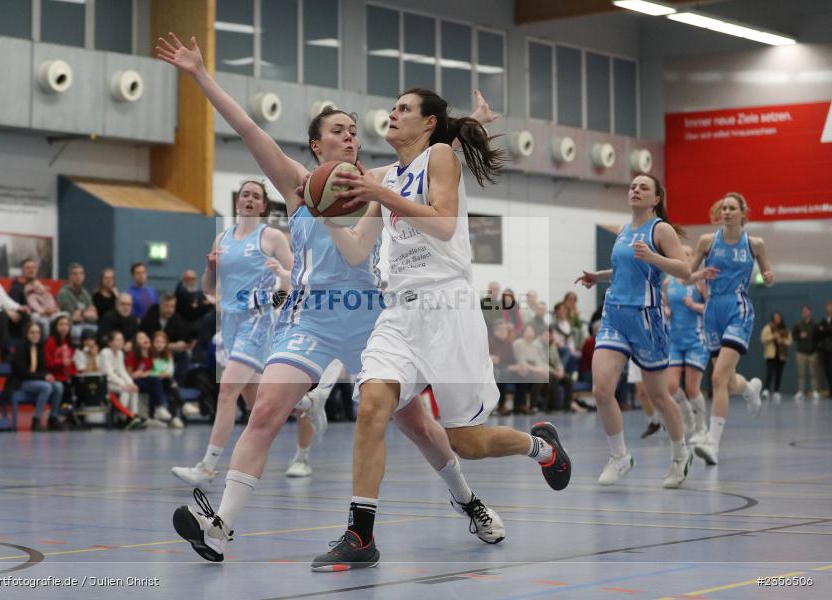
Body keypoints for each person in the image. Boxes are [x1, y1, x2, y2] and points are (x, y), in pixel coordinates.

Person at [157, 33, 508, 564]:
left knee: (422, 429)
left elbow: (428, 163)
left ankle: (470, 502)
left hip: (374, 320)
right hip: (312, 320)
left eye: (353, 130)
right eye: (338, 131)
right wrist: (201, 75)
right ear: (317, 146)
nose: (350, 136)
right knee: (267, 411)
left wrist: (471, 128)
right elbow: (248, 128)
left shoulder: (374, 182)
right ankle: (221, 524)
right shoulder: (301, 186)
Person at [310, 87, 571, 570]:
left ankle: (540, 446)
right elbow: (353, 248)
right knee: (371, 407)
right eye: (393, 107)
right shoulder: (386, 177)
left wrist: (381, 192)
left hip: (448, 308)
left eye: (404, 109)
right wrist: (324, 212)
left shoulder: (440, 158)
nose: (393, 113)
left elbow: (445, 223)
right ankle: (360, 535)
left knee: (465, 444)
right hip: (399, 312)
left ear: (428, 124)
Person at [170, 178, 295, 488]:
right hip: (229, 323)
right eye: (245, 195)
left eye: (256, 196)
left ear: (263, 205)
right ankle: (307, 403)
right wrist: (211, 269)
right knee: (255, 400)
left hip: (257, 320)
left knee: (227, 391)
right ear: (238, 202)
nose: (250, 199)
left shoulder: (272, 237)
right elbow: (208, 288)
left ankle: (208, 466)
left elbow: (296, 275)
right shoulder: (223, 238)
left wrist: (278, 294)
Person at [576, 174, 693, 488]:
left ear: (656, 198)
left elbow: (685, 270)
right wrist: (598, 276)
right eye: (632, 186)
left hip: (646, 320)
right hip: (614, 316)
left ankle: (681, 455)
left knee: (659, 395)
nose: (636, 190)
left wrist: (655, 257)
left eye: (644, 187)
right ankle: (620, 456)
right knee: (601, 389)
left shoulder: (661, 230)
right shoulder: (624, 230)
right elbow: (626, 268)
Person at [688, 192, 773, 465]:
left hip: (738, 309)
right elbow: (688, 274)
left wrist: (768, 277)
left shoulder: (755, 244)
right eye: (723, 207)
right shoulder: (707, 241)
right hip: (712, 311)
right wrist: (699, 275)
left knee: (717, 378)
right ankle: (749, 389)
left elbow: (767, 275)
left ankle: (713, 444)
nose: (726, 212)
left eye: (731, 208)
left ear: (742, 213)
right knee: (728, 379)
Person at [662, 246, 710, 440]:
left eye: (690, 255)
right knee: (671, 386)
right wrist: (667, 310)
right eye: (682, 255)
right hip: (675, 340)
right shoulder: (668, 281)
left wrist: (695, 305)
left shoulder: (699, 281)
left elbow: (712, 307)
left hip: (696, 339)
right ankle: (687, 414)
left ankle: (702, 428)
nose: (686, 258)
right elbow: (666, 303)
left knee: (692, 388)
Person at [10, 322, 64, 431]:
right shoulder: (20, 348)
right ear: (26, 334)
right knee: (46, 387)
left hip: (37, 380)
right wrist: (43, 377)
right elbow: (23, 373)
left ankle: (53, 418)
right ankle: (36, 420)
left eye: (38, 333)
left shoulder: (40, 348)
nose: (35, 335)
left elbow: (43, 368)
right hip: (23, 382)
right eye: (32, 333)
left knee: (58, 386)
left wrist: (47, 375)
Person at [97, 330, 146, 429]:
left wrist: (130, 383)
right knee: (125, 389)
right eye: (117, 340)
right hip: (105, 382)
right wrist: (124, 384)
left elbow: (122, 371)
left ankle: (133, 415)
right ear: (110, 342)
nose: (121, 342)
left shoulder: (120, 353)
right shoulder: (105, 352)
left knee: (133, 388)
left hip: (116, 382)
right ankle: (122, 417)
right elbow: (109, 374)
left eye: (122, 340)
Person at [126, 331, 171, 423]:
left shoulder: (151, 354)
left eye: (146, 336)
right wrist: (135, 374)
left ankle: (154, 413)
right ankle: (158, 409)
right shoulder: (132, 355)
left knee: (160, 381)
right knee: (156, 382)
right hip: (135, 382)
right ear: (136, 343)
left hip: (148, 380)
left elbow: (155, 371)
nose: (145, 339)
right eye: (141, 338)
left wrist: (147, 373)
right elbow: (128, 375)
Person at [151, 331, 184, 429]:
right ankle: (182, 405)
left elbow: (170, 371)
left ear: (166, 344)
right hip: (153, 381)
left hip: (165, 381)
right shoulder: (149, 354)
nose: (159, 344)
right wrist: (160, 374)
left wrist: (165, 375)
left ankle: (173, 418)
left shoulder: (168, 355)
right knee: (170, 384)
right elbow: (150, 370)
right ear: (153, 342)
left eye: (162, 342)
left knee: (171, 388)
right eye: (157, 342)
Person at [56, 263, 98, 338]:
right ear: (70, 276)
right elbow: (72, 317)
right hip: (72, 326)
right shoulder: (64, 293)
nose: (78, 276)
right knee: (80, 333)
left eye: (81, 273)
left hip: (87, 324)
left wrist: (81, 313)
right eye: (75, 274)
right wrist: (85, 312)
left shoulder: (85, 292)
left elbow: (94, 315)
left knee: (99, 331)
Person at [791, 305, 821, 404]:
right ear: (802, 313)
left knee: (814, 373)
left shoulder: (815, 325)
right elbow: (793, 336)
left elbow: (818, 338)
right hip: (801, 353)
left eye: (807, 311)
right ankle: (800, 391)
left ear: (810, 312)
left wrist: (816, 349)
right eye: (804, 311)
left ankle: (815, 391)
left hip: (812, 353)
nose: (805, 313)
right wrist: (800, 335)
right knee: (801, 374)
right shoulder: (798, 324)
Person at [760, 312, 791, 403]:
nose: (777, 319)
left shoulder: (784, 329)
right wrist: (773, 337)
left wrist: (782, 340)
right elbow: (763, 339)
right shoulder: (768, 327)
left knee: (779, 373)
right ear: (773, 318)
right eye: (775, 317)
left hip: (781, 355)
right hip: (771, 354)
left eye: (778, 317)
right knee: (770, 373)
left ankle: (776, 391)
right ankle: (766, 390)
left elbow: (789, 341)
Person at [817, 301, 832, 399]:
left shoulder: (824, 324)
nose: (829, 308)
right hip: (826, 351)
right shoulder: (823, 321)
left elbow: (826, 331)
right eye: (828, 307)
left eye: (831, 306)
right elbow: (819, 333)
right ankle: (831, 391)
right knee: (828, 371)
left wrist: (825, 330)